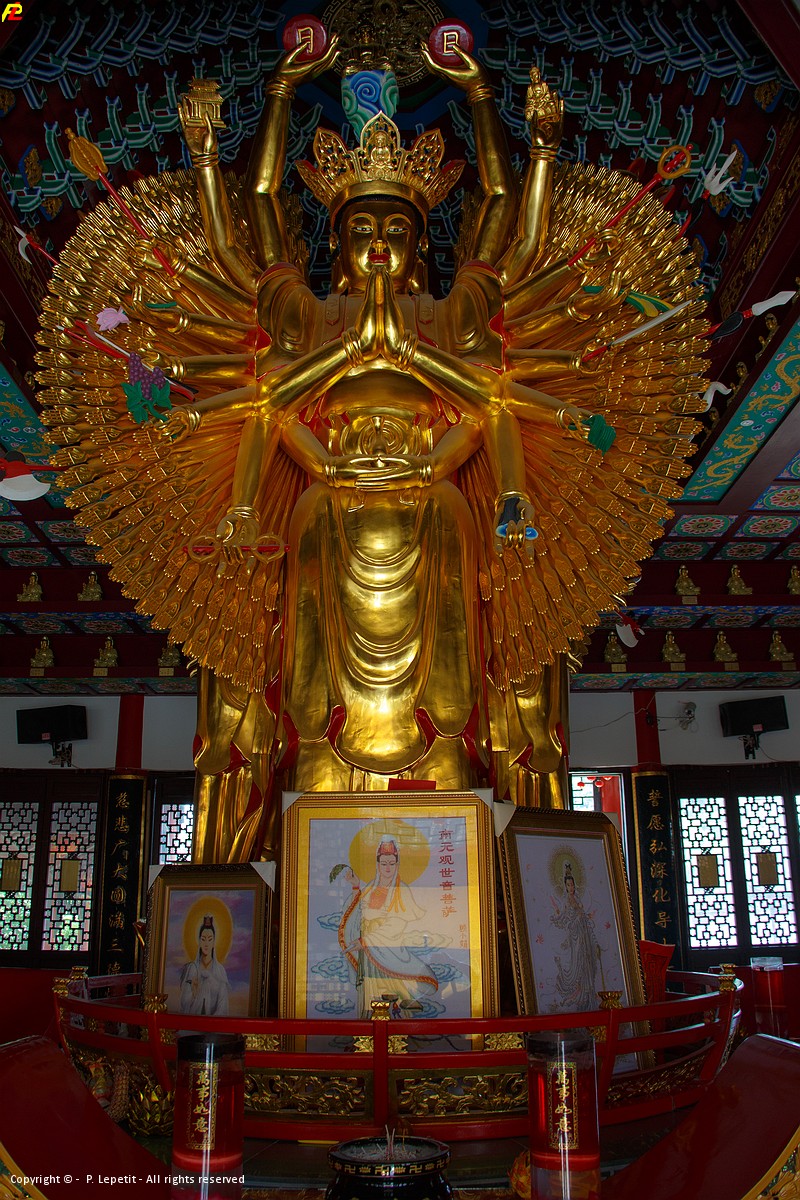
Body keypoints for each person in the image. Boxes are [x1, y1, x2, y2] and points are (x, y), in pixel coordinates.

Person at [37, 31, 705, 859]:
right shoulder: (308, 316)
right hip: (327, 509)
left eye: (398, 226)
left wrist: (505, 119)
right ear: (335, 241)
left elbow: (506, 238)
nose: (381, 241)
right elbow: (259, 235)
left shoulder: (448, 316)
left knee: (454, 689)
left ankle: (455, 785)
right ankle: (314, 783)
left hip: (436, 508)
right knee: (311, 682)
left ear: (421, 242)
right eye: (361, 227)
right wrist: (268, 102)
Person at [338, 839, 437, 1018]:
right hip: (368, 953)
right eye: (384, 863)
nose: (388, 868)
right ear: (378, 864)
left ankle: (400, 1028)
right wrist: (355, 886)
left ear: (397, 864)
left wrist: (366, 941)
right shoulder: (371, 887)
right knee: (370, 992)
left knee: (394, 990)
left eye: (392, 863)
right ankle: (368, 1027)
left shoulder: (401, 891)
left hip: (388, 950)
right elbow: (357, 912)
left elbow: (396, 925)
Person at [549, 863, 601, 1012]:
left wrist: (586, 916)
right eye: (568, 885)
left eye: (572, 884)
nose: (571, 887)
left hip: (584, 934)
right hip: (575, 935)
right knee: (579, 963)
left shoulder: (577, 898)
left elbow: (581, 914)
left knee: (588, 962)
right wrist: (559, 917)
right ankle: (580, 995)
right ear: (565, 887)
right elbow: (566, 918)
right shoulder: (567, 901)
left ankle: (589, 994)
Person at [179, 914, 230, 1016]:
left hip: (214, 1024)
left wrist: (212, 1022)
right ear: (199, 941)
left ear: (214, 942)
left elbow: (222, 1007)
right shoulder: (192, 968)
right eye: (203, 939)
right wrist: (193, 993)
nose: (206, 944)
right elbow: (183, 1003)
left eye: (210, 939)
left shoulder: (220, 971)